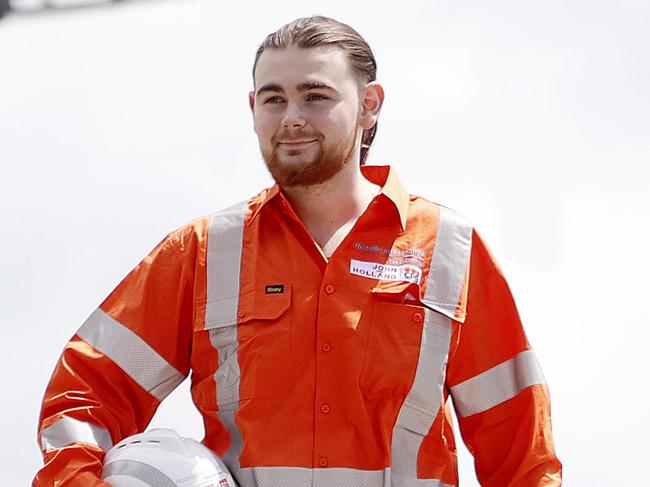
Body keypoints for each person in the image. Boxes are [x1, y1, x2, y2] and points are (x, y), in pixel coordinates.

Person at [33, 15, 562, 487]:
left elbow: (521, 455)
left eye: (315, 95)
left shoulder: (448, 249)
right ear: (253, 108)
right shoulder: (201, 252)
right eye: (274, 97)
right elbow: (85, 396)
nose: (291, 116)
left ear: (369, 106)